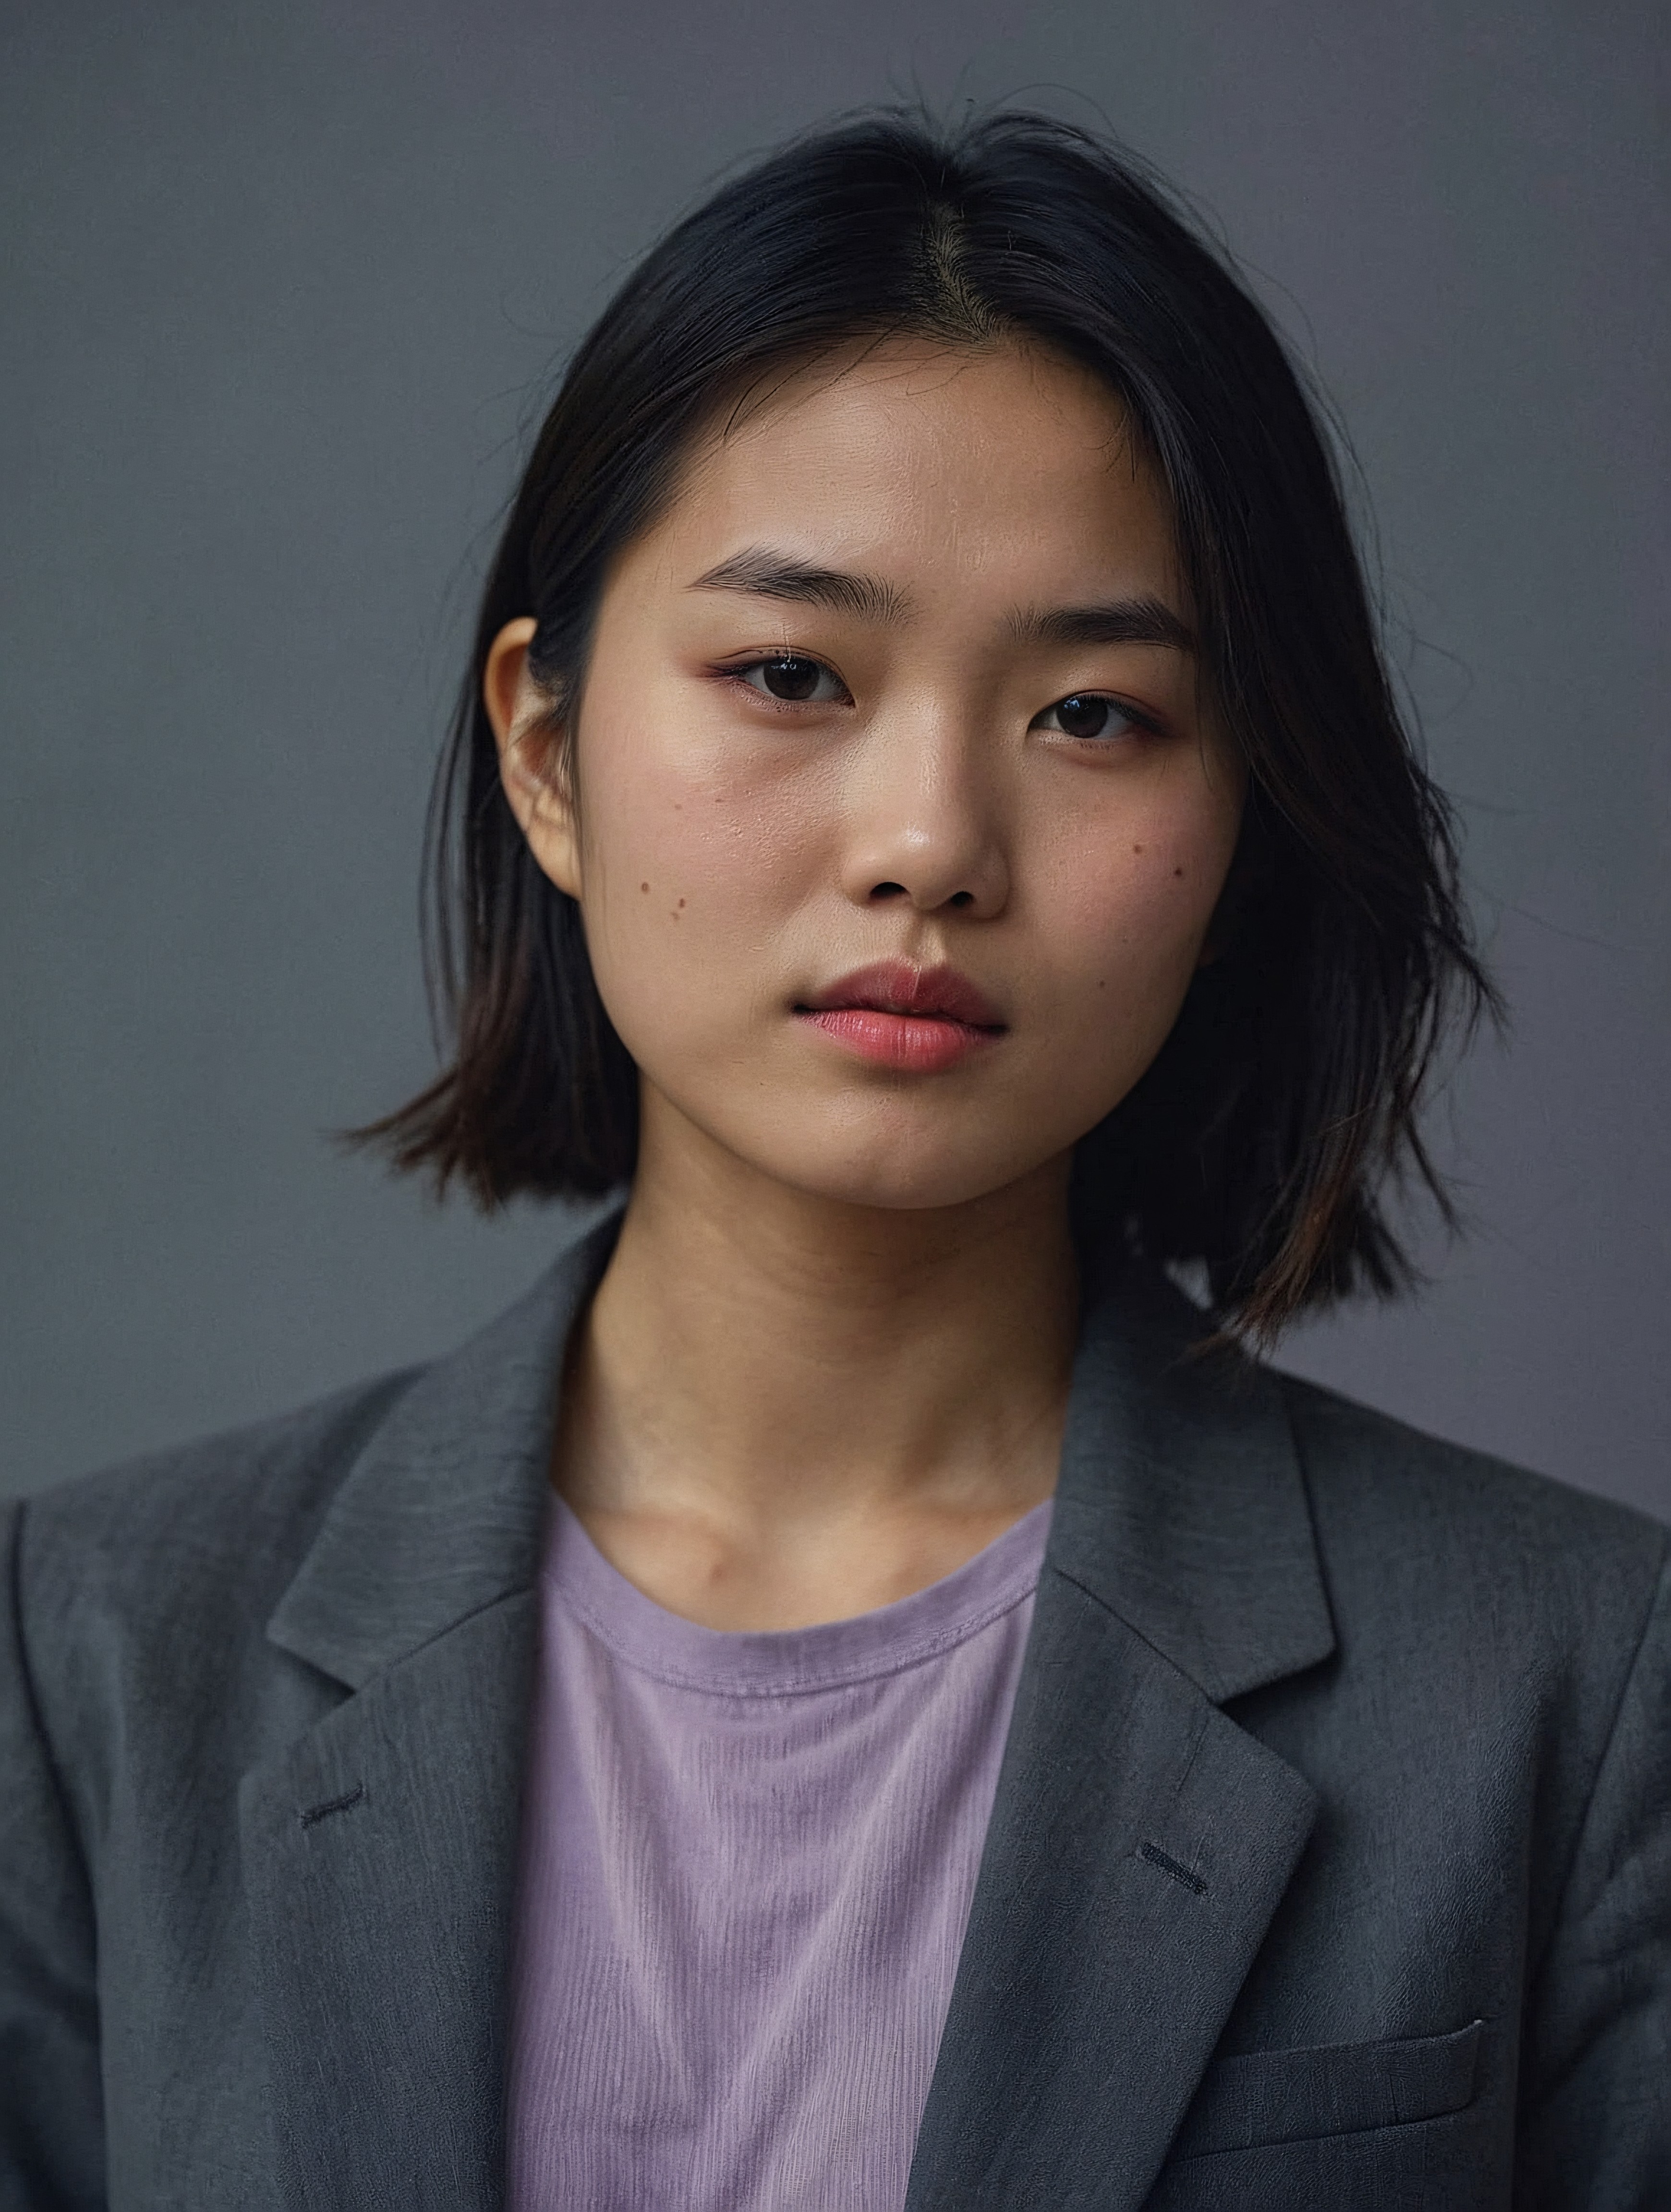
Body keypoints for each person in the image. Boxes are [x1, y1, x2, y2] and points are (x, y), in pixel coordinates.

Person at [2, 108, 1665, 2212]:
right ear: (548, 753)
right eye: (791, 674)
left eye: (1095, 714)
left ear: (1241, 821)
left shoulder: (1573, 1682)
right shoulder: (92, 1658)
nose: (931, 843)